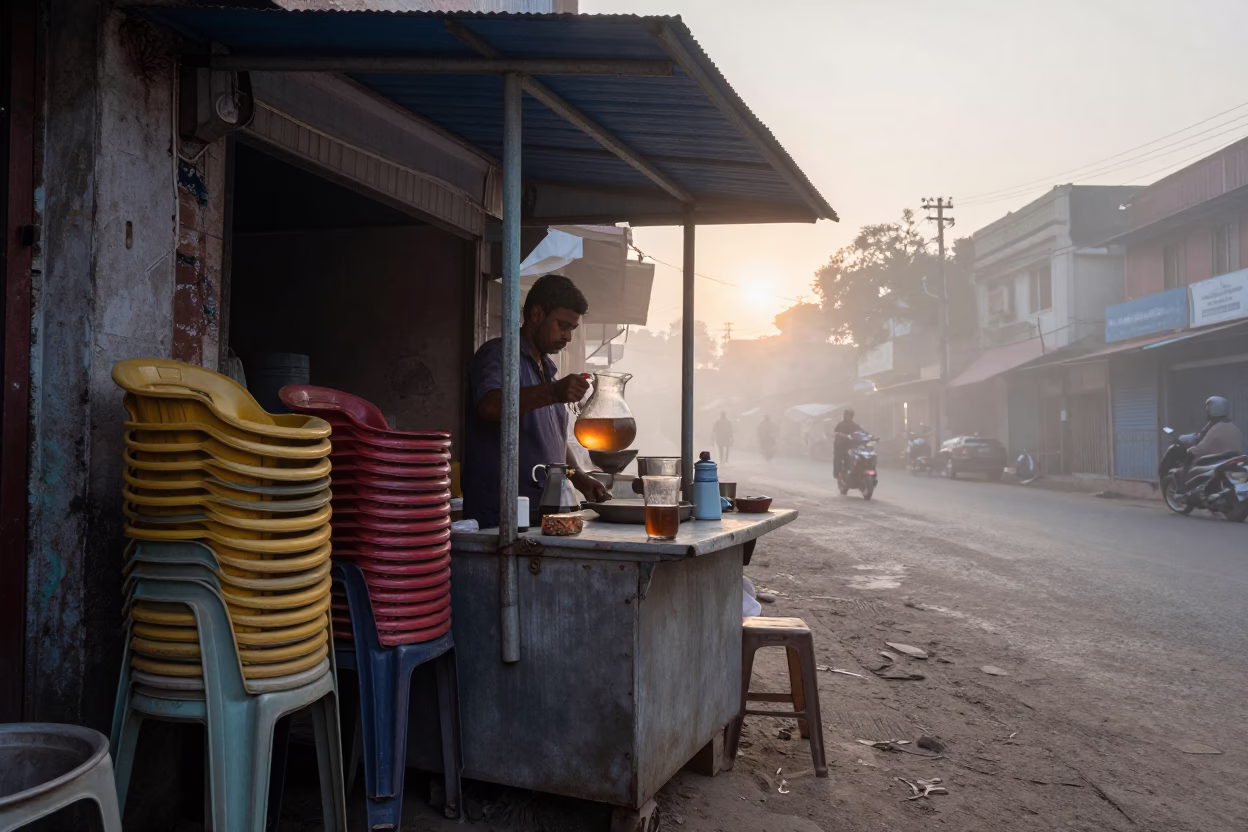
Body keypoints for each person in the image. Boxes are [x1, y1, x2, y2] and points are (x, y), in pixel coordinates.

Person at [462, 274, 611, 528]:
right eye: (562, 325)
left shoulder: (548, 370)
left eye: (572, 329)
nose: (568, 337)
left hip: (541, 516)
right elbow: (489, 406)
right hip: (498, 519)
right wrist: (553, 393)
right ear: (536, 315)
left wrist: (580, 479)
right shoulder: (498, 354)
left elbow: (553, 444)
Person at [832, 408, 862, 477]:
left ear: (851, 416)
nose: (845, 416)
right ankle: (837, 474)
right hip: (840, 445)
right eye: (845, 415)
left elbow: (861, 433)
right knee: (837, 458)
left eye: (848, 415)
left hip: (850, 445)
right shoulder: (840, 424)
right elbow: (835, 432)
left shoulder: (855, 425)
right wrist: (839, 434)